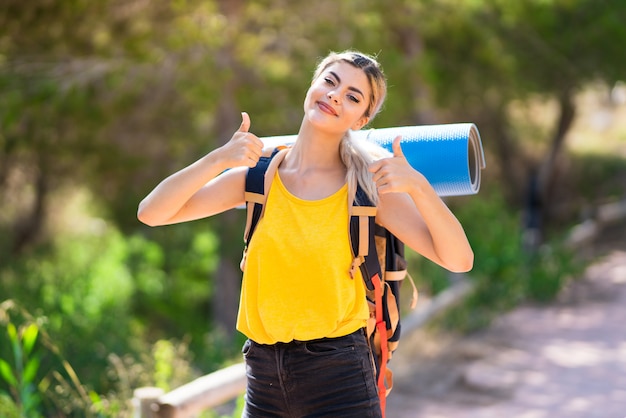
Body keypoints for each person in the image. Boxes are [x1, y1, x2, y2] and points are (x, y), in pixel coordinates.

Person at [137, 50, 474, 417]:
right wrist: (217, 159)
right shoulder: (258, 179)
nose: (334, 95)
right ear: (312, 85)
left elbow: (459, 259)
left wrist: (419, 187)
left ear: (360, 120)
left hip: (339, 378)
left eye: (352, 96)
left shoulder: (367, 189)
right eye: (330, 81)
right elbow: (152, 213)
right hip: (263, 375)